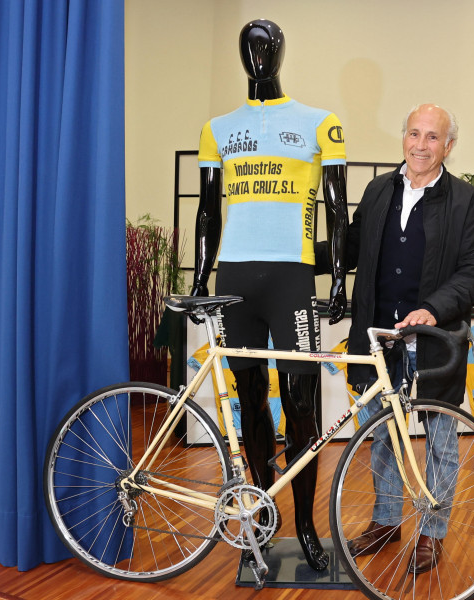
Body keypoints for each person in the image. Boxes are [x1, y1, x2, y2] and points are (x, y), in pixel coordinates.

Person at [190, 19, 348, 571]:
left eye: (265, 48)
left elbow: (335, 208)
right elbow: (208, 209)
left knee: (302, 404)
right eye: (248, 50)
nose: (257, 58)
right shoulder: (218, 128)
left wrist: (338, 282)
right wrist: (199, 276)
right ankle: (261, 513)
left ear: (281, 53)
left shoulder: (319, 123)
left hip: (292, 279)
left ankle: (305, 523)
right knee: (250, 397)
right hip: (234, 279)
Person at [318, 103, 474, 573]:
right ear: (403, 138)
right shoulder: (378, 191)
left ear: (449, 146)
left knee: (440, 438)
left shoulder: (468, 202)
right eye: (414, 134)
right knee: (379, 432)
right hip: (377, 334)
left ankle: (433, 531)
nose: (421, 145)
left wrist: (433, 307)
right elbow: (350, 248)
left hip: (435, 336)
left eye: (432, 137)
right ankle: (386, 520)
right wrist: (291, 261)